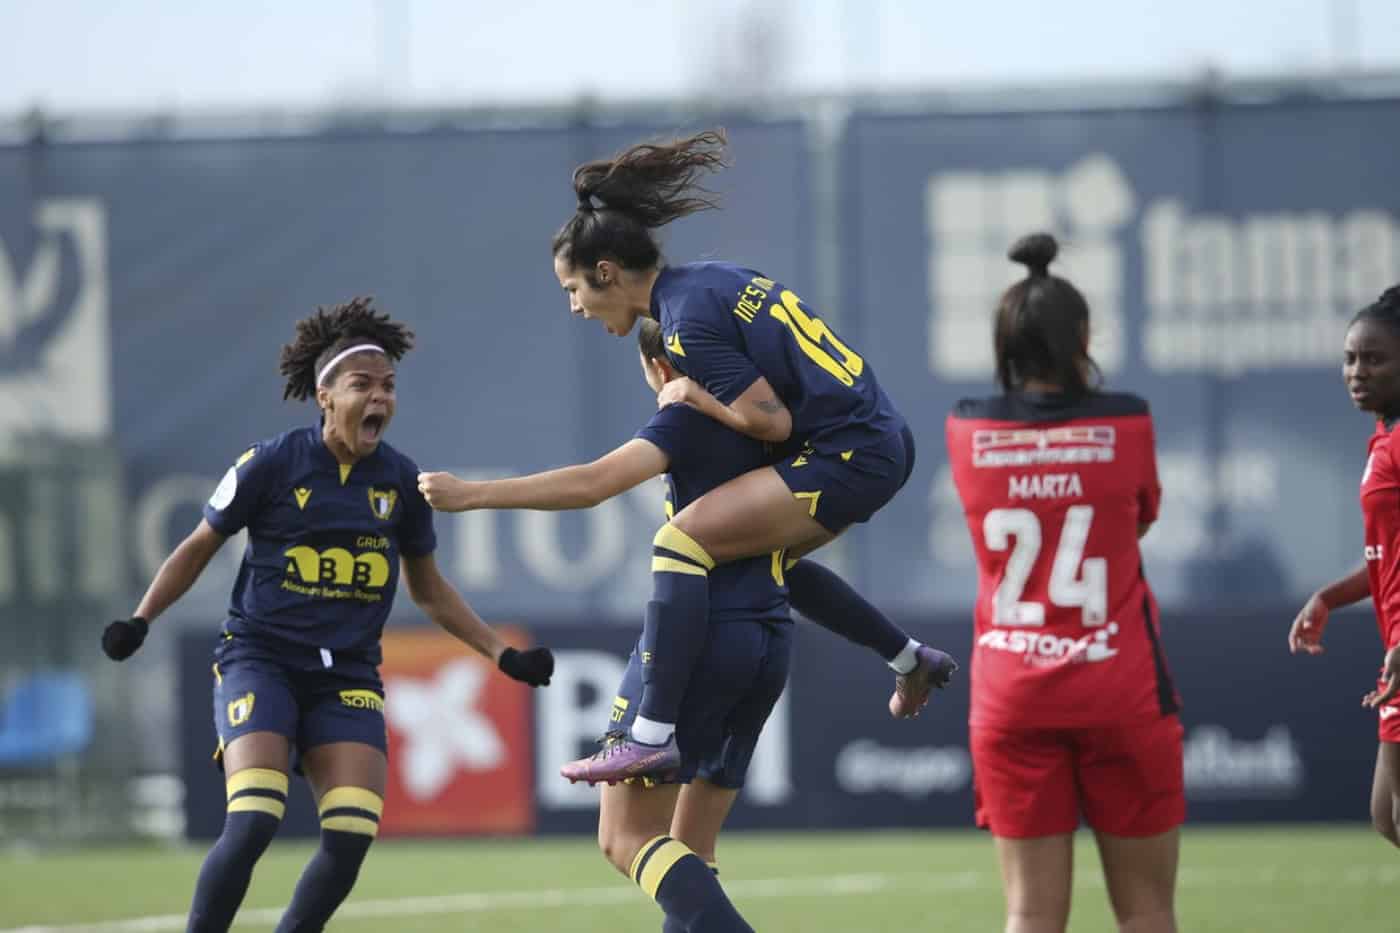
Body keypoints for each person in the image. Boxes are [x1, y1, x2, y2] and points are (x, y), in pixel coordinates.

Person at [100, 298, 554, 933]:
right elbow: (198, 545)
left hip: (346, 676)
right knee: (255, 818)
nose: (380, 398)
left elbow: (428, 590)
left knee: (349, 838)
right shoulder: (272, 463)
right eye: (363, 385)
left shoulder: (400, 481)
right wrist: (141, 619)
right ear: (324, 394)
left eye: (389, 386)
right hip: (260, 660)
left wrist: (502, 654)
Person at [532, 127, 950, 783]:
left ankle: (648, 735)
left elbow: (771, 418)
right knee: (766, 554)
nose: (576, 306)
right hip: (881, 435)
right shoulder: (713, 278)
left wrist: (695, 395)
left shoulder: (681, 322)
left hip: (850, 452)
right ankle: (908, 657)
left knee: (679, 541)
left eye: (572, 289)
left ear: (606, 272)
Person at [419, 320, 955, 786]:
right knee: (695, 846)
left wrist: (472, 494)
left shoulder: (683, 419)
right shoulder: (780, 426)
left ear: (659, 366)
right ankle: (906, 654)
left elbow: (593, 483)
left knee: (629, 842)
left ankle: (650, 733)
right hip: (769, 641)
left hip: (703, 640)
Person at [945, 234, 1183, 933]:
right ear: (1083, 336)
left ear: (1006, 339)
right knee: (1147, 912)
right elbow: (1135, 522)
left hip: (1012, 692)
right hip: (1122, 685)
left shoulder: (967, 424)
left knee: (1029, 914)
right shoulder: (1128, 418)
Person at [1290, 284, 1400, 850]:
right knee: (1388, 817)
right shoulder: (1383, 437)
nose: (1357, 371)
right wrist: (1329, 597)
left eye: (1375, 359)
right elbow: (1386, 555)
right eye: (1350, 358)